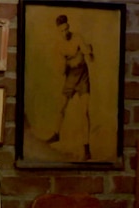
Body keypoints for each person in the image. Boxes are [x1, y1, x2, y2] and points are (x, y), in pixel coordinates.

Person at [45, 14, 93, 160]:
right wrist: (64, 64)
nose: (65, 33)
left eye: (66, 29)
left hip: (83, 77)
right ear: (58, 31)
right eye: (62, 31)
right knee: (61, 107)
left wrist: (88, 52)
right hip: (70, 78)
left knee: (84, 112)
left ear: (68, 27)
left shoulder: (77, 37)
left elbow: (87, 53)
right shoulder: (59, 46)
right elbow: (60, 70)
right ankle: (56, 134)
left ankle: (86, 148)